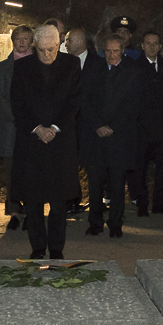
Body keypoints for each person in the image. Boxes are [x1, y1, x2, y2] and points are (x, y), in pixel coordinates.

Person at [10, 24, 81, 258]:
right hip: (32, 142)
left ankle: (57, 248)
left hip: (60, 143)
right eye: (42, 50)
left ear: (58, 46)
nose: (47, 55)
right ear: (34, 47)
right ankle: (38, 247)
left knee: (59, 201)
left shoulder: (71, 65)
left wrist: (55, 128)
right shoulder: (21, 67)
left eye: (51, 50)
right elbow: (17, 103)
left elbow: (74, 101)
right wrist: (38, 128)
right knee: (33, 200)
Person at [82, 34, 143, 239]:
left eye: (115, 51)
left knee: (118, 183)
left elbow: (133, 105)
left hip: (120, 137)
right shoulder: (94, 69)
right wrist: (98, 125)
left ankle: (115, 223)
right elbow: (85, 100)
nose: (111, 55)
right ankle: (95, 222)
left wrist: (112, 126)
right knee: (95, 183)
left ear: (123, 50)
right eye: (107, 51)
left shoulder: (133, 71)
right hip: (96, 136)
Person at [129, 30, 163, 217]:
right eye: (148, 43)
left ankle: (159, 204)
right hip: (141, 129)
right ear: (142, 45)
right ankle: (142, 204)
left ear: (160, 46)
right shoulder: (134, 67)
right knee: (139, 170)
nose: (151, 46)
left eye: (155, 43)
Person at [0, 25, 34, 230]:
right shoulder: (4, 66)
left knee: (32, 170)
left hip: (34, 128)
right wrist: (15, 116)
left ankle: (32, 211)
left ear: (32, 41)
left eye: (26, 38)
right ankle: (15, 213)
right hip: (11, 126)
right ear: (13, 40)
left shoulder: (40, 63)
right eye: (19, 38)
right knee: (12, 172)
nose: (22, 42)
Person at [64, 27, 102, 214]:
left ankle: (96, 206)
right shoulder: (64, 63)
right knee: (69, 166)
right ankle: (72, 201)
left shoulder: (99, 64)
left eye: (69, 40)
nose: (66, 44)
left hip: (91, 127)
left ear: (79, 41)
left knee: (93, 169)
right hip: (70, 125)